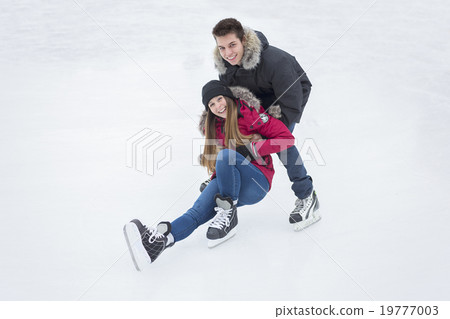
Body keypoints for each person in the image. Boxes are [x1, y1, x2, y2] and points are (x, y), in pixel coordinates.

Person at [123, 80, 296, 270]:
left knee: (226, 155)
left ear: (228, 98)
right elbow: (222, 162)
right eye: (211, 104)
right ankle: (158, 242)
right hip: (232, 184)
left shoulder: (251, 115)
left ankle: (229, 212)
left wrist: (254, 148)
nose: (217, 106)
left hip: (258, 180)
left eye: (219, 99)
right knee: (196, 212)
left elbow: (287, 139)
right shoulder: (213, 127)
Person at [206, 18, 320, 231]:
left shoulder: (276, 62)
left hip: (287, 97)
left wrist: (267, 131)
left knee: (281, 143)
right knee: (235, 134)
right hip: (255, 103)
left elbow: (291, 100)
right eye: (222, 47)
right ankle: (224, 183)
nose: (228, 53)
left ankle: (306, 196)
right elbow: (229, 102)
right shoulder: (226, 67)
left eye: (232, 45)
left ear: (243, 40)